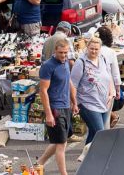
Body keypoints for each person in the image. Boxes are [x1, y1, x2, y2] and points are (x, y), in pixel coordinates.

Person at [70, 37, 115, 162]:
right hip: (87, 103)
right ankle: (99, 159)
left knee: (93, 132)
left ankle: (85, 159)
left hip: (104, 102)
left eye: (96, 49)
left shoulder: (103, 59)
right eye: (91, 49)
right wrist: (74, 103)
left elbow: (109, 76)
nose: (94, 51)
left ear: (100, 49)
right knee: (100, 132)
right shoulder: (81, 62)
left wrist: (111, 92)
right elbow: (73, 84)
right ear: (87, 48)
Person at [38, 39, 75, 175]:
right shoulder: (48, 66)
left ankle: (39, 163)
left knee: (59, 140)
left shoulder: (65, 63)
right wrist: (48, 114)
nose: (63, 55)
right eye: (60, 53)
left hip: (66, 106)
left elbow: (68, 82)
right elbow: (43, 91)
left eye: (65, 53)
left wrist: (74, 102)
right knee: (61, 144)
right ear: (55, 51)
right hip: (55, 108)